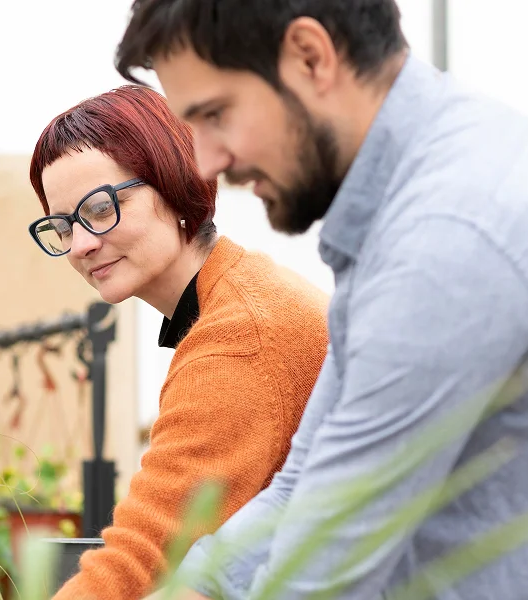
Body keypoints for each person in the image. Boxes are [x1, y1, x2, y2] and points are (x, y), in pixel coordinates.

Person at [114, 1, 528, 598]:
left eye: (215, 114)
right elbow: (307, 487)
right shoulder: (427, 188)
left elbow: (327, 573)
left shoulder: (456, 233)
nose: (204, 161)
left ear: (311, 56)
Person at [27, 85, 329, 600]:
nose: (81, 244)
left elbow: (143, 557)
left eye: (100, 208)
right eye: (63, 225)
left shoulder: (240, 338)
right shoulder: (241, 293)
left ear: (173, 181)